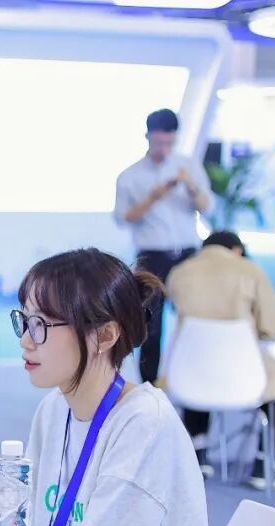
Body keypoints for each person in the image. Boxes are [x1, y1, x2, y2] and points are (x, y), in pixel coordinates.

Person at [16, 248, 234, 526]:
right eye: (24, 321)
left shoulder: (146, 424)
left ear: (104, 336)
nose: (25, 340)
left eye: (41, 325)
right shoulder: (53, 410)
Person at [166, 230, 275, 490]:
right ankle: (267, 463)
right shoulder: (250, 271)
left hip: (189, 375)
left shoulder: (179, 273)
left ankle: (196, 455)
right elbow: (272, 328)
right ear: (237, 250)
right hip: (243, 376)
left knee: (202, 372)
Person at [114, 108, 213, 384]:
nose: (164, 149)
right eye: (158, 142)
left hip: (188, 256)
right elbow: (123, 219)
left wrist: (190, 186)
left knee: (194, 319)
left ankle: (195, 381)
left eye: (169, 142)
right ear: (147, 137)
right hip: (152, 257)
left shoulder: (188, 166)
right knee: (151, 326)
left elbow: (207, 207)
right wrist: (153, 197)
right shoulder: (130, 176)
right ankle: (150, 386)